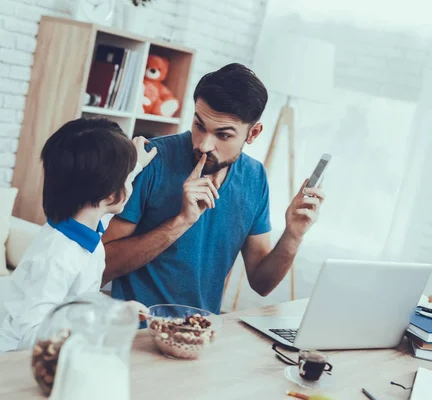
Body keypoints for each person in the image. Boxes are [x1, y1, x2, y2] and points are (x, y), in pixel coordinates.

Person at [102, 63, 326, 314]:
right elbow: (102, 266)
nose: (205, 145)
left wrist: (293, 235)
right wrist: (182, 221)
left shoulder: (254, 177)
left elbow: (262, 284)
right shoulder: (150, 160)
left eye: (224, 135)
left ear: (253, 133)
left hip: (200, 333)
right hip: (136, 329)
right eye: (199, 126)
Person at [0, 118, 157, 355]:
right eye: (125, 178)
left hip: (59, 352)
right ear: (109, 195)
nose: (128, 183)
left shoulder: (84, 221)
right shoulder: (57, 257)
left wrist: (135, 165)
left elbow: (109, 200)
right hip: (14, 363)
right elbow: (31, 336)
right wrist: (108, 317)